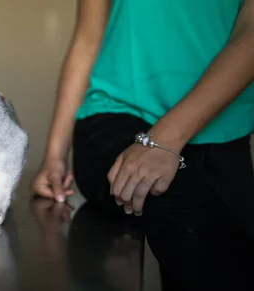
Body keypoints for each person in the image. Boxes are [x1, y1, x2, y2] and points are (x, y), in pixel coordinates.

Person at [32, 0, 254, 238]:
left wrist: (165, 139)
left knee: (233, 247)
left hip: (225, 129)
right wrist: (54, 156)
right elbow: (88, 39)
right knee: (187, 218)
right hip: (120, 114)